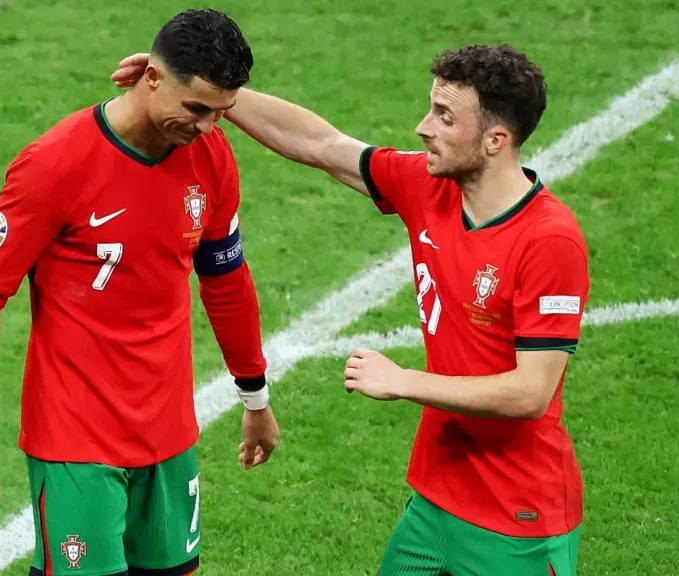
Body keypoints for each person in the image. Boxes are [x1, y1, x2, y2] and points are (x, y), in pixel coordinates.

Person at [112, 41, 590, 576]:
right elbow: (321, 144)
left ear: (496, 140)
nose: (422, 127)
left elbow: (531, 393)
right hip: (438, 498)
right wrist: (213, 95)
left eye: (445, 117)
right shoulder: (429, 188)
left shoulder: (549, 241)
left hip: (517, 518)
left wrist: (403, 380)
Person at [0, 9, 280, 576]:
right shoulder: (55, 164)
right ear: (151, 76)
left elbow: (225, 282)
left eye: (221, 114)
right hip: (75, 434)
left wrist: (255, 397)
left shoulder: (212, 157)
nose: (205, 128)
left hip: (169, 429)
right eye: (195, 109)